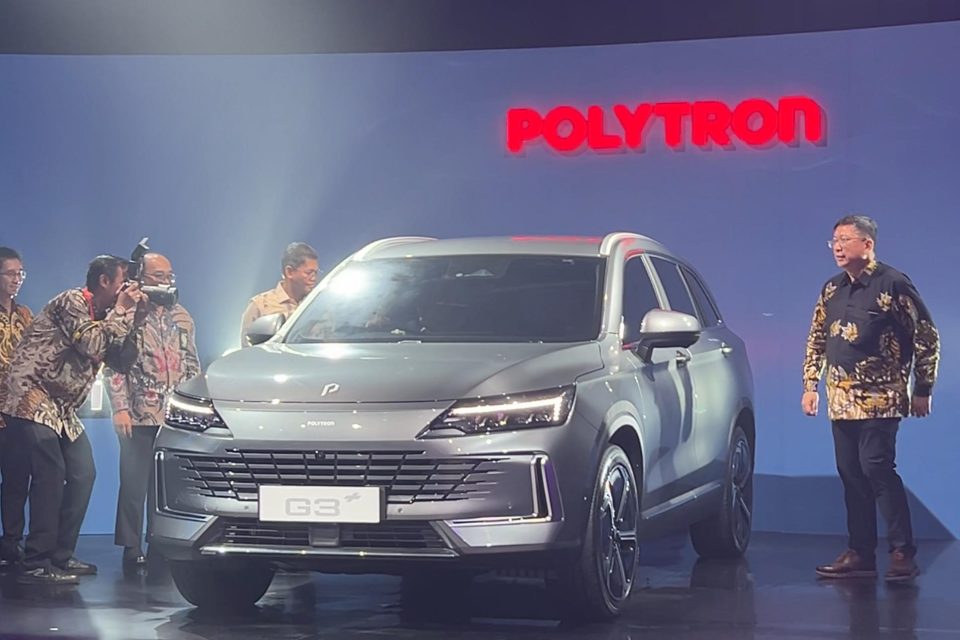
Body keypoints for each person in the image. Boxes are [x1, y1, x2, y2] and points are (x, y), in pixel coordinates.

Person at [802, 215, 940, 582]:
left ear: (867, 244)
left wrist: (923, 388)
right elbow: (817, 338)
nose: (837, 247)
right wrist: (810, 385)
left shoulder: (893, 283)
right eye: (833, 240)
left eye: (845, 239)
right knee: (850, 474)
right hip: (841, 399)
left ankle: (901, 552)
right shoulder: (832, 289)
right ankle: (860, 552)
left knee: (876, 467)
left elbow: (926, 336)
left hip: (881, 396)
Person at [0, 255, 145, 584]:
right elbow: (91, 343)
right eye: (122, 283)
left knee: (84, 472)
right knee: (51, 472)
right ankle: (36, 560)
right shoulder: (72, 301)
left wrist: (135, 320)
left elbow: (121, 361)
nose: (126, 290)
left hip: (61, 407)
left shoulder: (108, 314)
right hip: (31, 395)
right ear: (104, 281)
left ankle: (60, 555)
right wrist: (120, 312)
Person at [104, 252, 199, 566]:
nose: (166, 281)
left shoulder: (182, 316)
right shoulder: (127, 314)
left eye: (169, 275)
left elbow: (192, 363)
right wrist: (119, 408)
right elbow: (114, 364)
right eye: (159, 275)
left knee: (166, 485)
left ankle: (161, 541)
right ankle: (131, 547)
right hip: (138, 411)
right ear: (140, 278)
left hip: (173, 417)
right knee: (134, 484)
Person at [0, 247, 32, 569]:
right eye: (11, 273)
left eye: (20, 273)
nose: (17, 279)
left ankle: (11, 541)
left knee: (16, 479)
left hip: (16, 413)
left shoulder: (24, 315)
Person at [239, 242, 319, 345]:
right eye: (308, 273)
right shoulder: (260, 306)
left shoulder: (317, 305)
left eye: (315, 273)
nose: (313, 278)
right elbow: (248, 349)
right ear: (289, 272)